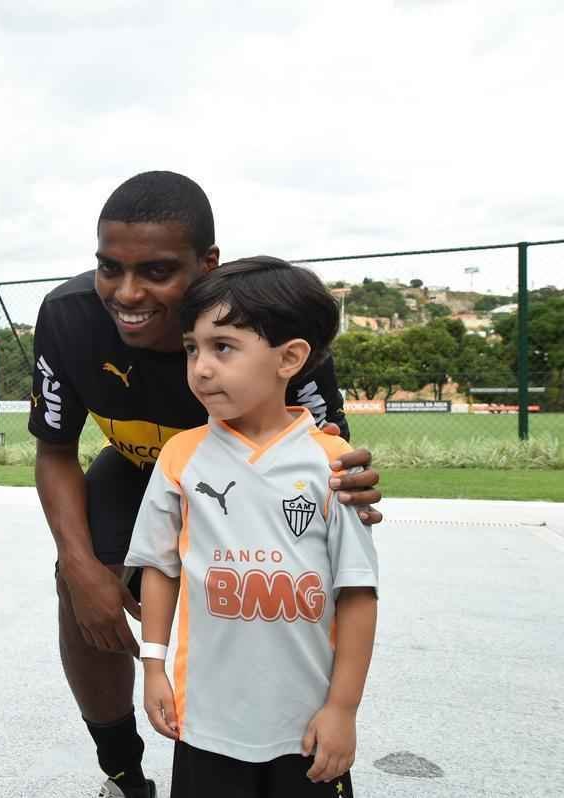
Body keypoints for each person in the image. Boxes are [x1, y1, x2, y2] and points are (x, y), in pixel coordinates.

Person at [28, 171, 383, 798]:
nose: (127, 292)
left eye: (157, 272)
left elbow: (328, 458)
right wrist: (81, 566)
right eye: (109, 268)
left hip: (230, 469)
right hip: (137, 466)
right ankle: (123, 771)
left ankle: (283, 734)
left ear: (206, 264)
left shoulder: (266, 320)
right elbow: (54, 450)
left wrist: (351, 482)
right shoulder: (67, 315)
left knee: (264, 580)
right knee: (78, 584)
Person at [128, 257, 378, 798]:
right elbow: (160, 569)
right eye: (192, 348)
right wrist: (152, 668)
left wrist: (343, 708)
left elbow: (357, 593)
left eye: (223, 347)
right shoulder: (179, 457)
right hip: (205, 725)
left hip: (307, 730)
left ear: (290, 357)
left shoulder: (335, 464)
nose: (201, 367)